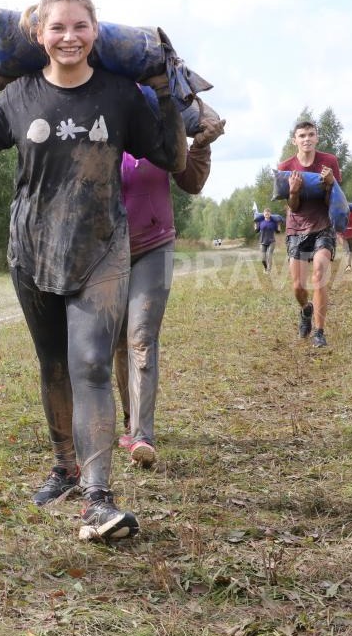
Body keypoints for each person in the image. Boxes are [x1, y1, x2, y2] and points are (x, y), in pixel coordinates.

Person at [0, 0, 186, 542]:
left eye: (80, 26)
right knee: (53, 363)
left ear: (95, 32)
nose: (69, 37)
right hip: (31, 251)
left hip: (101, 248)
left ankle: (98, 499)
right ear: (39, 34)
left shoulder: (120, 95)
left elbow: (173, 156)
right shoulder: (20, 95)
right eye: (57, 27)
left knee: (92, 366)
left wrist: (165, 89)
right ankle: (65, 466)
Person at [117, 115, 224, 470]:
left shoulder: (163, 118)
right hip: (104, 249)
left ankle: (143, 435)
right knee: (117, 340)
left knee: (142, 335)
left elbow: (191, 181)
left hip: (154, 245)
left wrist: (202, 144)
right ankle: (130, 420)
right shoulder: (97, 111)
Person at [280, 120, 341, 348]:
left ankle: (319, 332)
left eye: (311, 135)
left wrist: (329, 185)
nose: (307, 139)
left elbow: (333, 202)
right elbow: (292, 207)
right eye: (302, 135)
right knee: (298, 287)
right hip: (296, 229)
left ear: (317, 138)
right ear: (294, 140)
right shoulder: (286, 166)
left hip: (323, 226)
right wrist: (293, 190)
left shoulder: (329, 162)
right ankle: (306, 310)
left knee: (319, 275)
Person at [255, 206, 281, 272]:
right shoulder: (260, 222)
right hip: (262, 242)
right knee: (263, 259)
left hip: (271, 241)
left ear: (270, 214)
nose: (267, 214)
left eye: (268, 213)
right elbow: (256, 231)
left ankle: (269, 270)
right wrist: (255, 223)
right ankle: (266, 268)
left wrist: (278, 224)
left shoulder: (273, 222)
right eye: (266, 213)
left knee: (269, 255)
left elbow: (278, 231)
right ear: (263, 214)